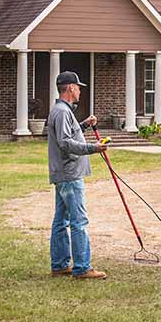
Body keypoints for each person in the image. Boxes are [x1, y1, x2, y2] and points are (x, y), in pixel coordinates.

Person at [47, 71, 109, 280]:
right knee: (78, 221)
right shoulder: (62, 112)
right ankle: (82, 268)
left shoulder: (60, 111)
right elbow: (65, 143)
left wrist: (83, 125)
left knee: (61, 221)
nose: (80, 91)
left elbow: (66, 134)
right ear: (71, 88)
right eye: (78, 87)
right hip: (70, 174)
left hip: (63, 174)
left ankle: (60, 265)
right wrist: (93, 148)